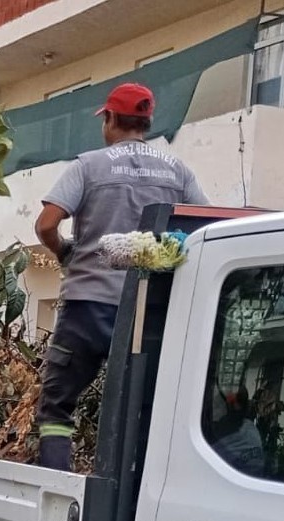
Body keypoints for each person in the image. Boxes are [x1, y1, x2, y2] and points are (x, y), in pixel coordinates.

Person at [33, 82, 209, 470]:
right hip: (148, 313)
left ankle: (56, 489)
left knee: (57, 408)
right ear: (146, 121)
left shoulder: (88, 165)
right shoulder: (178, 171)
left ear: (110, 119)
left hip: (87, 309)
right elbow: (204, 226)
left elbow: (46, 224)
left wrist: (66, 252)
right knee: (141, 409)